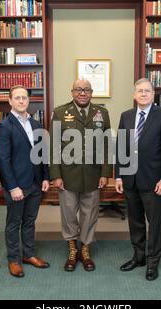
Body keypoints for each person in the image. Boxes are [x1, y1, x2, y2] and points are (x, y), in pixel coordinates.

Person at [49, 79, 112, 272]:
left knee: (90, 213)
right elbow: (53, 146)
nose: (82, 93)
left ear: (92, 92)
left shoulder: (102, 113)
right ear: (72, 92)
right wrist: (56, 175)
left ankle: (85, 248)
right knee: (68, 213)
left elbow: (107, 145)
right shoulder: (60, 112)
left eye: (86, 90)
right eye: (78, 89)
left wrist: (105, 173)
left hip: (93, 175)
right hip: (67, 175)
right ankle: (71, 248)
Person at [115, 78, 161, 281]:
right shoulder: (126, 116)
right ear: (134, 94)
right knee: (135, 221)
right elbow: (121, 148)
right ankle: (138, 256)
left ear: (153, 93)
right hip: (130, 180)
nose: (143, 94)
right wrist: (118, 175)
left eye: (147, 91)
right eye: (139, 91)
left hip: (154, 181)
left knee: (154, 223)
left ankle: (152, 261)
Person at [0, 85, 50, 278]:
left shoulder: (35, 124)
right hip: (17, 186)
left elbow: (41, 154)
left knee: (30, 222)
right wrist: (12, 187)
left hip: (35, 184)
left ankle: (29, 254)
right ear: (10, 101)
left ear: (28, 100)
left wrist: (45, 177)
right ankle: (14, 260)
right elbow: (3, 160)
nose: (20, 101)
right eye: (16, 98)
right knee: (13, 223)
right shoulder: (4, 126)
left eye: (24, 98)